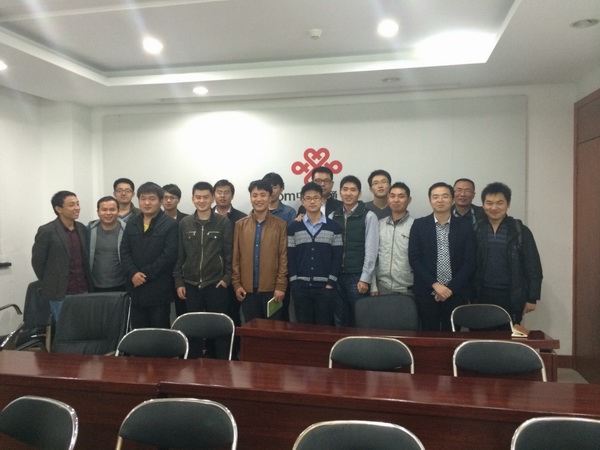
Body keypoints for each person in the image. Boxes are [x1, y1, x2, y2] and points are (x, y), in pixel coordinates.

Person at [174, 182, 232, 358]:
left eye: (206, 197)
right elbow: (179, 255)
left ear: (212, 198)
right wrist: (179, 281)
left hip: (216, 283)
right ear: (192, 199)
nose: (202, 200)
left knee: (220, 329)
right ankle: (194, 364)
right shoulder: (185, 223)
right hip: (191, 284)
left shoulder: (223, 222)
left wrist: (227, 278)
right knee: (193, 330)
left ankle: (222, 364)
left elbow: (229, 253)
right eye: (198, 197)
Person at [473, 182, 543, 325]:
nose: (494, 208)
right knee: (481, 335)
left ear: (508, 204)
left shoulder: (520, 231)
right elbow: (468, 264)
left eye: (500, 203)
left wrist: (532, 298)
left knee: (508, 336)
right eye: (489, 203)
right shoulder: (476, 229)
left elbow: (533, 265)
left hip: (511, 295)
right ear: (483, 205)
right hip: (481, 294)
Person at [409, 182, 475, 331]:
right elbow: (414, 259)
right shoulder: (419, 225)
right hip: (427, 291)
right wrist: (435, 285)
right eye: (435, 197)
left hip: (455, 292)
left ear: (452, 200)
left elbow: (469, 262)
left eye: (445, 196)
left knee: (452, 335)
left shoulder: (465, 226)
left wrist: (449, 288)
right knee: (428, 334)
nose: (440, 200)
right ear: (430, 200)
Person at [120, 182, 178, 329]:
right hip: (135, 287)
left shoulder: (170, 224)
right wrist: (133, 273)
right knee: (139, 330)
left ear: (160, 201)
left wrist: (144, 275)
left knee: (159, 331)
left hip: (159, 288)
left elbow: (169, 256)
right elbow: (124, 251)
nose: (147, 203)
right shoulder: (132, 223)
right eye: (143, 198)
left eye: (152, 199)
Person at [231, 180, 288, 322]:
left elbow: (283, 257)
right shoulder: (240, 225)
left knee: (273, 330)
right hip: (247, 289)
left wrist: (280, 286)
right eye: (254, 195)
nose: (258, 199)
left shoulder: (280, 225)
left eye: (263, 195)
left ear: (270, 197)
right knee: (252, 329)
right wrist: (236, 284)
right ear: (250, 198)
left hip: (272, 290)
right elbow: (236, 257)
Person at [31, 191, 92, 322]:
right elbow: (38, 262)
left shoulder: (82, 228)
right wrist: (51, 281)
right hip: (60, 292)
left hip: (83, 289)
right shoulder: (47, 231)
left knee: (84, 327)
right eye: (71, 205)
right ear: (59, 209)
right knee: (65, 329)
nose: (77, 208)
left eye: (77, 204)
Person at [288, 182, 343, 325]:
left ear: (322, 200)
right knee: (304, 328)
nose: (312, 201)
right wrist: (294, 282)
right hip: (301, 287)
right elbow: (290, 256)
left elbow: (337, 257)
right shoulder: (294, 227)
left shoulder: (334, 227)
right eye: (308, 198)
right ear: (302, 201)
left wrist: (331, 282)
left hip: (325, 288)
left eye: (316, 198)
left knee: (324, 328)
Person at [329, 175, 379, 326]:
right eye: (345, 189)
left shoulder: (369, 216)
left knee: (360, 319)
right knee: (339, 319)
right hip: (337, 276)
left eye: (353, 190)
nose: (348, 193)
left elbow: (371, 249)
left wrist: (365, 278)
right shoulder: (333, 215)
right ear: (340, 192)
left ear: (359, 193)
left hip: (357, 276)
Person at [371, 182, 414, 296]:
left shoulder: (416, 226)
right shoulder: (379, 225)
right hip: (382, 287)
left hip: (407, 289)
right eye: (392, 196)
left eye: (401, 196)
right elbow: (372, 256)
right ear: (388, 199)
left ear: (409, 200)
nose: (396, 200)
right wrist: (373, 285)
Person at [88, 196, 127, 292]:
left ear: (118, 211)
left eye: (112, 210)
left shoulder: (127, 230)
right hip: (94, 286)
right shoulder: (88, 231)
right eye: (104, 210)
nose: (108, 213)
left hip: (122, 285)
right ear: (98, 212)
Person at [162, 183, 188, 316]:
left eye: (172, 197)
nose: (168, 200)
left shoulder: (187, 220)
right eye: (165, 197)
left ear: (178, 199)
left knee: (183, 309)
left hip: (183, 272)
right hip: (162, 271)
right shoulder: (155, 220)